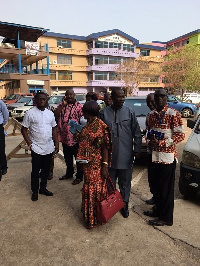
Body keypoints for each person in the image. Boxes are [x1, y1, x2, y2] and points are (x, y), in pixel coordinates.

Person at [100, 88, 142, 218]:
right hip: (109, 156)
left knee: (125, 183)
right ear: (112, 97)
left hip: (126, 155)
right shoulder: (103, 113)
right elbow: (99, 135)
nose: (122, 99)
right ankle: (112, 205)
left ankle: (124, 205)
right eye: (119, 97)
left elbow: (137, 132)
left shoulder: (129, 112)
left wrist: (137, 149)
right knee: (109, 182)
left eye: (123, 96)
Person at [146, 88, 185, 226]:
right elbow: (149, 131)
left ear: (166, 97)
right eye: (157, 96)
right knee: (155, 186)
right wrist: (149, 140)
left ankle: (166, 218)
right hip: (153, 156)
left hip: (167, 157)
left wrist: (163, 142)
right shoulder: (150, 115)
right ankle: (158, 210)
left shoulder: (173, 114)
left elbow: (180, 135)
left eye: (162, 96)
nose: (159, 99)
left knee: (165, 190)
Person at [77, 101, 111, 229]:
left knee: (95, 190)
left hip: (97, 165)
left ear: (87, 112)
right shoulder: (88, 125)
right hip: (86, 164)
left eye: (84, 111)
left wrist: (105, 165)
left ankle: (95, 218)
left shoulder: (101, 126)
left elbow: (105, 148)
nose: (82, 113)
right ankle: (88, 215)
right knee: (88, 188)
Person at [21, 91, 59, 201]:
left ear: (47, 100)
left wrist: (56, 143)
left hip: (49, 146)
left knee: (46, 170)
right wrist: (29, 143)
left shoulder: (50, 113)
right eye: (39, 99)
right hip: (36, 147)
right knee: (35, 170)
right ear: (36, 100)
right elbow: (24, 129)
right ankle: (35, 191)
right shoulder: (30, 113)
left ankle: (43, 188)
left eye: (44, 99)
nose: (42, 101)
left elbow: (54, 128)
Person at [54, 89, 83, 185]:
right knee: (67, 157)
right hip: (64, 136)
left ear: (74, 95)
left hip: (75, 137)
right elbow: (56, 114)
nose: (69, 96)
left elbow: (82, 120)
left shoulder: (79, 106)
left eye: (71, 94)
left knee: (78, 158)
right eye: (67, 95)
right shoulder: (61, 105)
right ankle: (69, 173)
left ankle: (79, 176)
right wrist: (63, 105)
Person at [145, 93, 156, 205]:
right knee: (151, 177)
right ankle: (154, 196)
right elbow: (148, 131)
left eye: (152, 101)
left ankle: (158, 199)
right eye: (148, 102)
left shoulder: (164, 115)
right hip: (150, 151)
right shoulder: (149, 115)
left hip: (161, 153)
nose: (150, 104)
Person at [0, 99, 9, 176]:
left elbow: (6, 113)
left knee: (1, 148)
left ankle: (3, 167)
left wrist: (3, 123)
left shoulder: (0, 102)